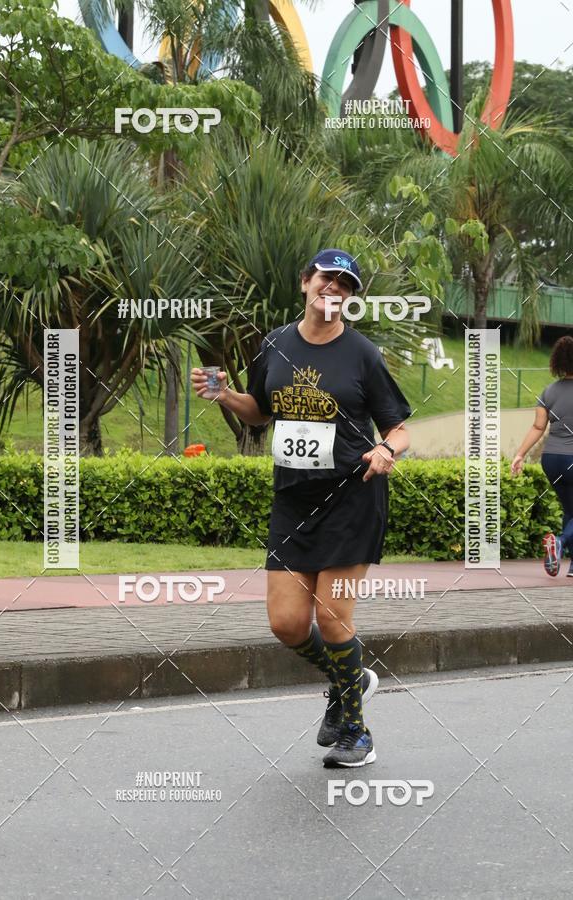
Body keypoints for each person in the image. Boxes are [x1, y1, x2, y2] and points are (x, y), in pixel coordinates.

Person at [191, 249, 412, 767]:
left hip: (352, 499)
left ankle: (356, 733)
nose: (333, 289)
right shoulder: (276, 344)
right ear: (306, 282)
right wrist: (226, 395)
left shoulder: (362, 354)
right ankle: (350, 678)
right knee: (288, 623)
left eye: (345, 285)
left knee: (333, 618)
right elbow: (259, 412)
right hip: (294, 501)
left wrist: (386, 450)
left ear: (349, 298)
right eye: (326, 279)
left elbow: (399, 427)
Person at [511, 335, 573, 577]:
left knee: (570, 511)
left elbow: (538, 427)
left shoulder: (548, 391)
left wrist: (519, 454)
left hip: (551, 460)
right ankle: (560, 542)